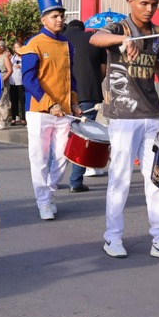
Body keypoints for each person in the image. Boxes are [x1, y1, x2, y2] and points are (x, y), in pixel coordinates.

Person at [90, 0, 159, 263]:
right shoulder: (119, 28)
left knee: (158, 180)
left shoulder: (158, 33)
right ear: (130, 2)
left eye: (154, 4)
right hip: (123, 116)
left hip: (152, 115)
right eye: (143, 3)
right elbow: (95, 38)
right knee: (119, 178)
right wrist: (123, 40)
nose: (149, 9)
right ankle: (113, 236)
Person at [20, 0, 81, 220]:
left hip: (63, 111)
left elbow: (70, 77)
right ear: (43, 19)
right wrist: (50, 104)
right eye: (54, 16)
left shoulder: (67, 44)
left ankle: (49, 191)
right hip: (39, 111)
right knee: (39, 157)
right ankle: (43, 201)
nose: (59, 20)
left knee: (64, 155)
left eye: (61, 16)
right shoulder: (33, 44)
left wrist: (73, 103)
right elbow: (28, 80)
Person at [64, 19, 108, 190]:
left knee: (60, 136)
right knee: (84, 137)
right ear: (83, 29)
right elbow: (103, 70)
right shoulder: (94, 39)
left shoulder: (59, 38)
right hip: (89, 93)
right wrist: (96, 81)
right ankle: (75, 181)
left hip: (64, 95)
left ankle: (51, 181)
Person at [9, 42, 26, 126]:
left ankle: (24, 118)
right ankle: (14, 118)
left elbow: (27, 67)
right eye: (15, 48)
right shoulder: (13, 57)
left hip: (21, 82)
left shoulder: (25, 57)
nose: (17, 49)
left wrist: (21, 67)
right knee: (14, 101)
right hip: (12, 81)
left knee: (22, 101)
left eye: (18, 47)